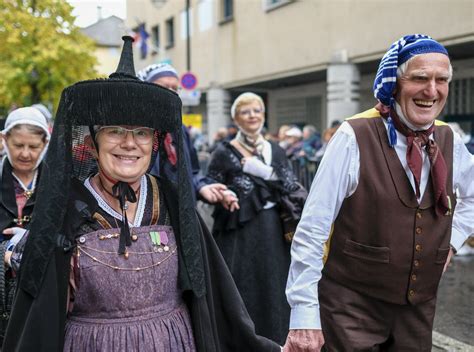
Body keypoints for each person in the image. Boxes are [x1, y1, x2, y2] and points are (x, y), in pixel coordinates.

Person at [3, 36, 280, 352]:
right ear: (92, 145)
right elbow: (39, 310)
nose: (129, 143)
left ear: (155, 143)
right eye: (115, 131)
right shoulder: (65, 208)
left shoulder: (173, 201)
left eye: (142, 133)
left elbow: (218, 298)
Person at [284, 34, 474, 351]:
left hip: (417, 311)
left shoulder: (447, 138)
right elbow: (313, 228)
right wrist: (304, 316)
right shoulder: (353, 136)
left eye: (442, 80)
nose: (432, 90)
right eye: (420, 78)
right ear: (394, 84)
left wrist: (451, 244)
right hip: (350, 307)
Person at [206, 92, 306, 345]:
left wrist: (259, 169)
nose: (252, 116)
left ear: (263, 115)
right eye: (245, 112)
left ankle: (276, 340)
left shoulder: (275, 149)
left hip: (272, 229)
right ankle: (242, 340)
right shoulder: (223, 151)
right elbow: (209, 182)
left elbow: (290, 185)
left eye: (257, 111)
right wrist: (223, 193)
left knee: (273, 286)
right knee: (242, 286)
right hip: (238, 233)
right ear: (236, 118)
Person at [137, 63, 226, 205]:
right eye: (164, 87)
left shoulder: (179, 129)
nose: (171, 93)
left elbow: (193, 171)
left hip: (181, 214)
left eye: (175, 88)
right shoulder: (135, 129)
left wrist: (201, 186)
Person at [0, 107, 50, 343]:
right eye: (18, 145)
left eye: (34, 147)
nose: (26, 154)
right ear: (4, 139)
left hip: (40, 293)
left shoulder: (56, 181)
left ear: (46, 142)